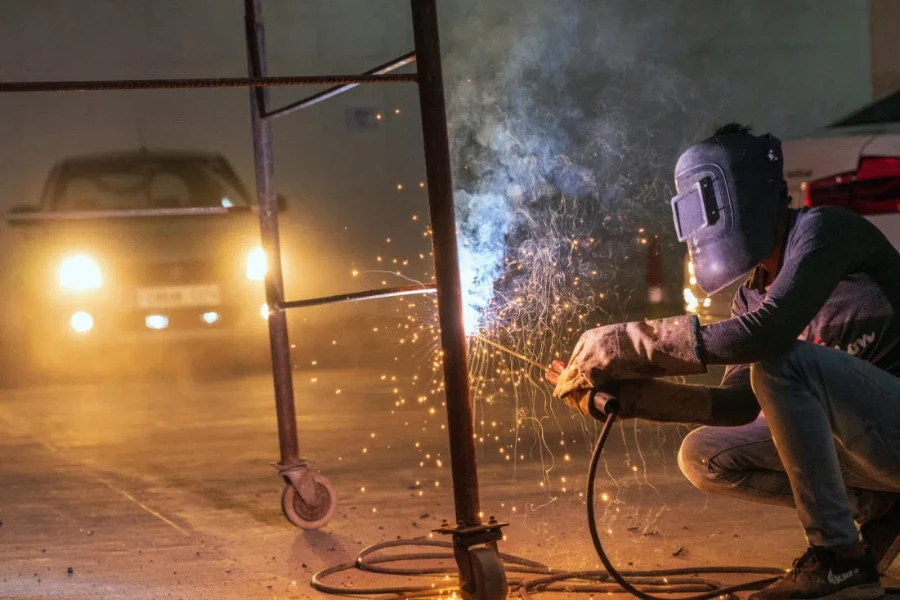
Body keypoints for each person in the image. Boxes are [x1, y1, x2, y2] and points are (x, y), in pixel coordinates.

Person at [548, 124, 900, 600]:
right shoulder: (750, 296)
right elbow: (738, 407)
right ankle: (881, 509)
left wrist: (633, 342)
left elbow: (769, 335)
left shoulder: (825, 231)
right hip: (870, 454)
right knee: (703, 454)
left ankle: (838, 562)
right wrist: (631, 399)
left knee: (779, 362)